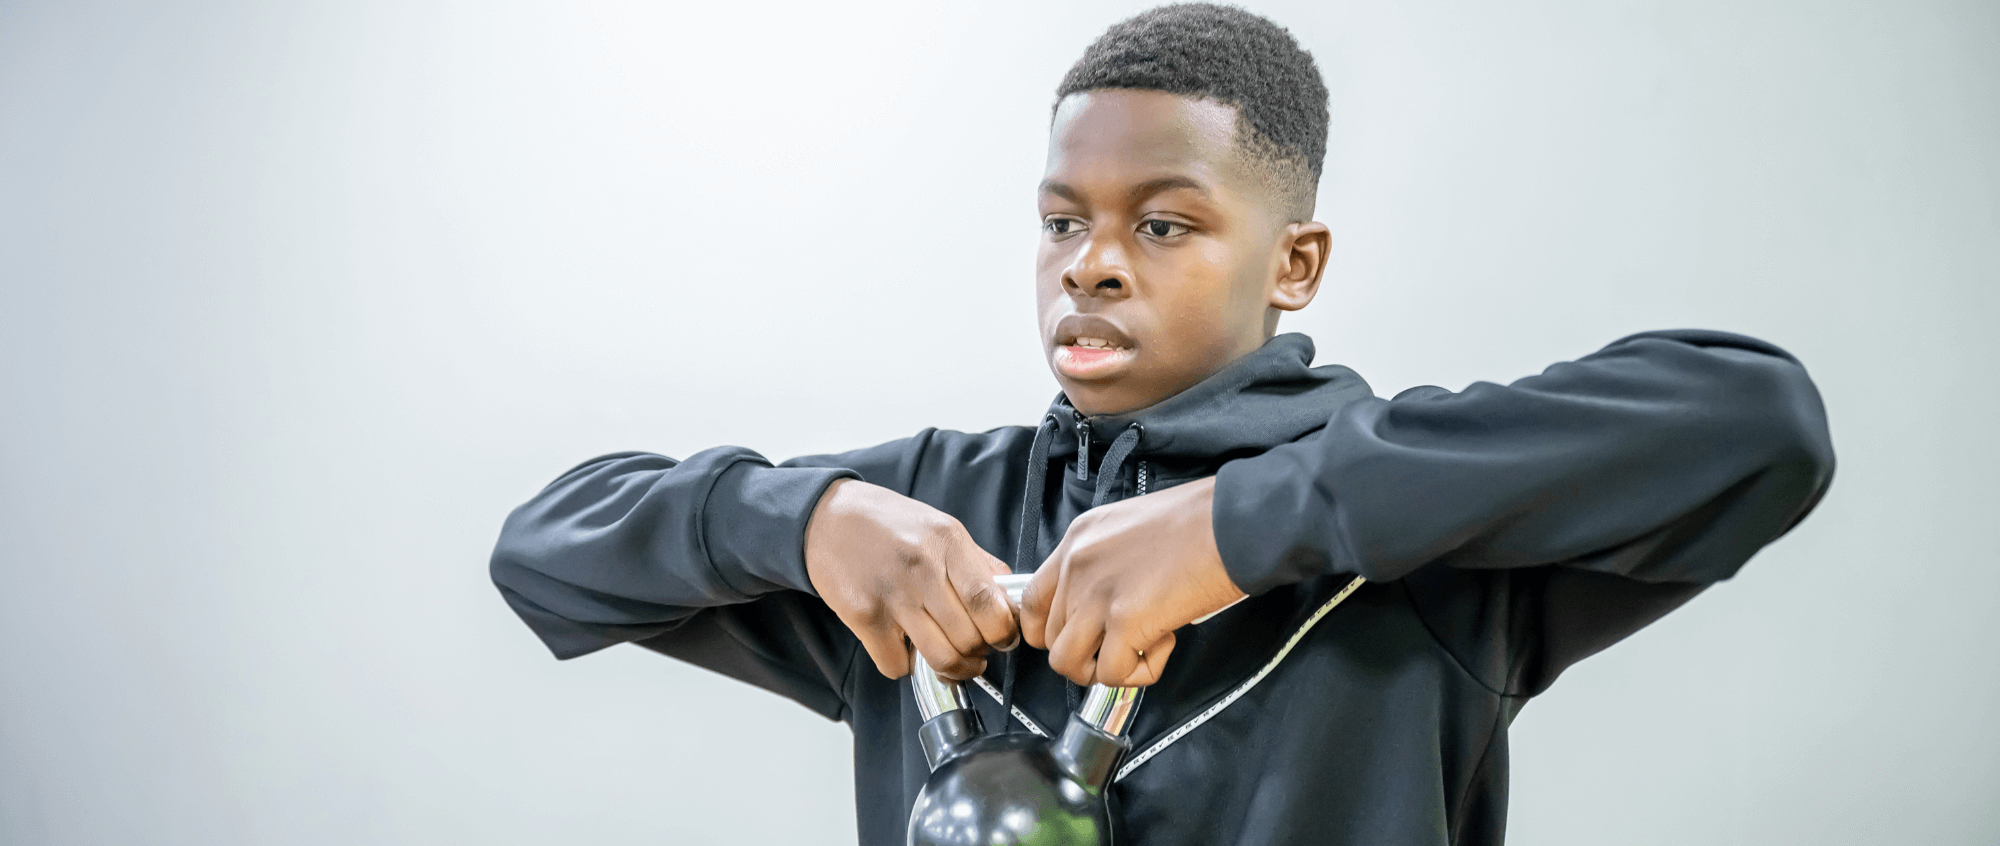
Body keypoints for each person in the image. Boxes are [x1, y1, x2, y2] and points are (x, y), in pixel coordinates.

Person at [489, 5, 1835, 844]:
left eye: (1164, 223)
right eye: (1063, 220)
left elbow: (1758, 419)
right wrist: (810, 517)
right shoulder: (929, 524)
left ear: (1294, 262)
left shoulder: (1426, 526)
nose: (1091, 261)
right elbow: (544, 548)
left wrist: (1235, 528)